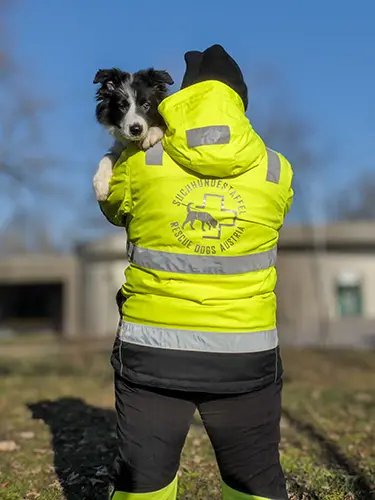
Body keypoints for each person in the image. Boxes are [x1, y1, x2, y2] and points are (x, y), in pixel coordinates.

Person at [99, 44, 293, 500]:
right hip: (246, 358)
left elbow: (111, 207)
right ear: (239, 102)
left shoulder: (138, 162)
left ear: (180, 99)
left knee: (143, 484)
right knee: (256, 482)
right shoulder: (275, 169)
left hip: (152, 356)